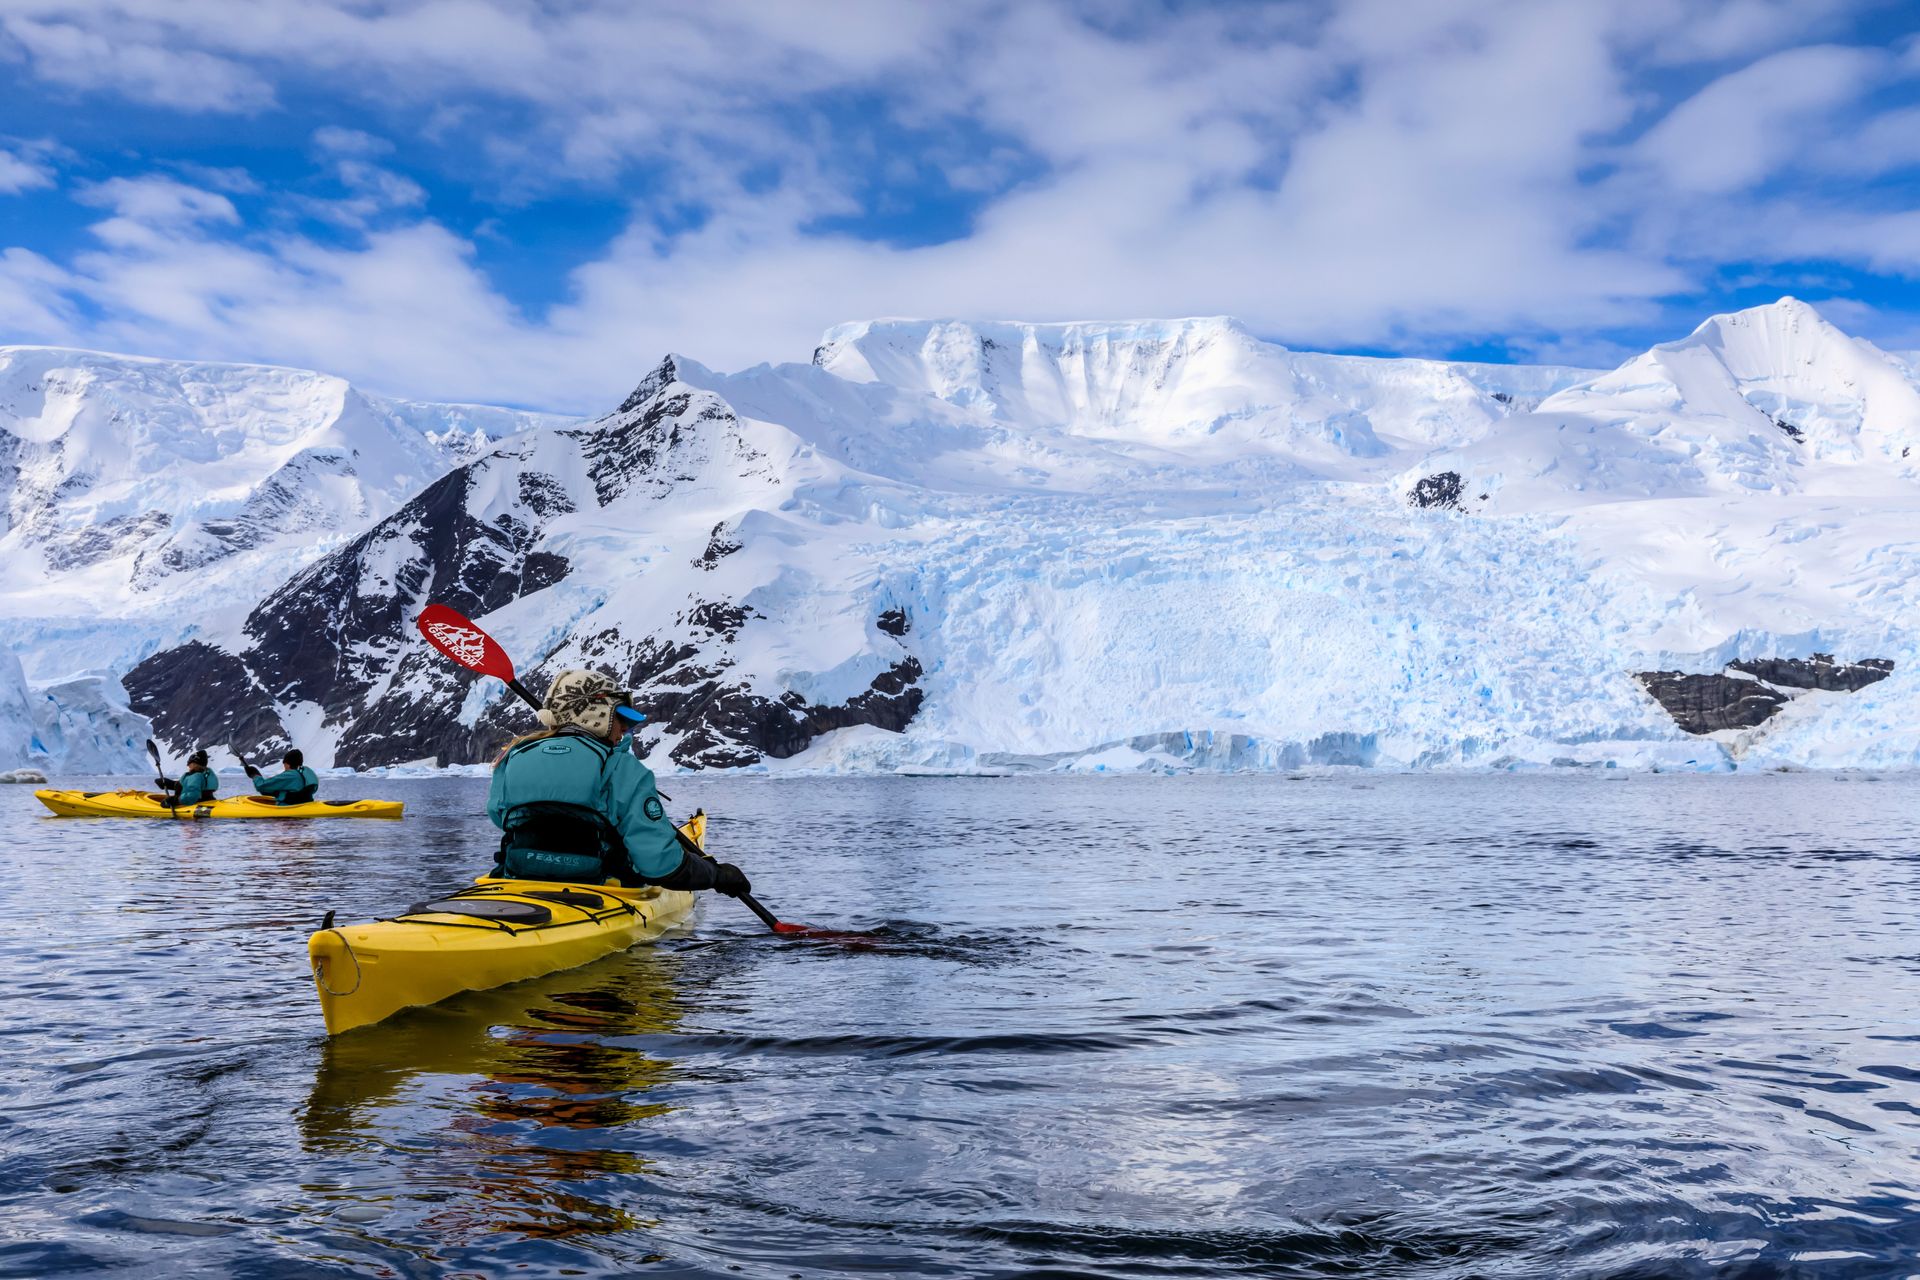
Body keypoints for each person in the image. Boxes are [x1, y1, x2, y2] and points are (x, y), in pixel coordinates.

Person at [487, 668, 751, 896]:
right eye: (620, 718)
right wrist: (717, 875)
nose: (626, 728)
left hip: (520, 881)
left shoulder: (513, 756)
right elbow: (660, 866)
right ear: (596, 714)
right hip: (603, 888)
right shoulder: (623, 768)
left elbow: (501, 817)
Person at [246, 749, 320, 806]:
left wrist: (255, 776)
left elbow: (261, 786)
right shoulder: (304, 773)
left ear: (287, 764)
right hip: (305, 805)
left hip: (289, 809)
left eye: (284, 764)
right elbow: (268, 790)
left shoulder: (290, 775)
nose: (284, 768)